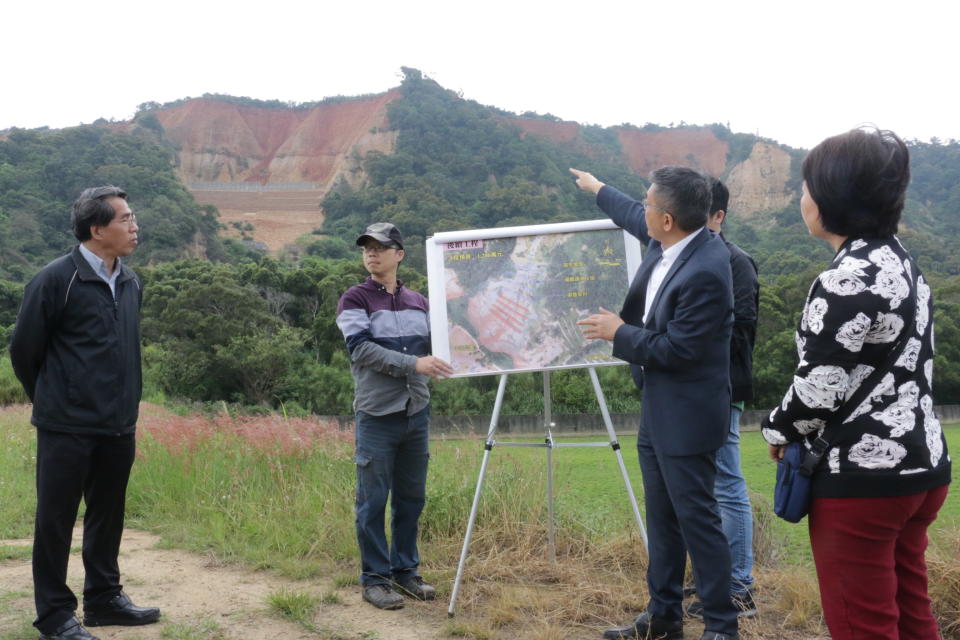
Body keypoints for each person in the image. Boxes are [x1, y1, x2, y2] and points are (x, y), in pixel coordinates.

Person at [762, 127, 951, 640]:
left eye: (805, 187)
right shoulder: (904, 265)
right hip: (922, 467)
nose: (801, 198)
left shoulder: (845, 276)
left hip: (863, 481)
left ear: (830, 198)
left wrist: (776, 431)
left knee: (862, 623)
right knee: (912, 612)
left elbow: (818, 389)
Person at [572, 167, 739, 640]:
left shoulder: (708, 268)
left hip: (687, 414)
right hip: (658, 407)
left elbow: (680, 351)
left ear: (667, 218)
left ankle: (722, 629)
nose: (641, 210)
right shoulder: (668, 239)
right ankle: (664, 617)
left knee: (697, 521)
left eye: (649, 205)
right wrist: (596, 187)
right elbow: (630, 211)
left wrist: (618, 334)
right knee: (663, 518)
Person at [9, 186, 159, 640]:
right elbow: (24, 352)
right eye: (126, 219)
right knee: (55, 519)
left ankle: (103, 599)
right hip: (66, 426)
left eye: (133, 218)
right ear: (97, 229)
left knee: (107, 513)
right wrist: (56, 401)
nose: (135, 226)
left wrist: (124, 403)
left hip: (118, 423)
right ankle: (55, 616)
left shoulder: (130, 280)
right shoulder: (56, 279)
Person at [335, 222, 453, 610]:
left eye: (380, 247)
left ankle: (406, 574)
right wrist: (413, 364)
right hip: (376, 416)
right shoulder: (354, 299)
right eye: (366, 247)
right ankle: (374, 579)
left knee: (411, 499)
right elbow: (361, 350)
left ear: (399, 254)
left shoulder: (421, 302)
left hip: (415, 413)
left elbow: (444, 344)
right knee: (372, 502)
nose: (371, 253)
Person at [686, 178, 759, 619]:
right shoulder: (687, 259)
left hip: (723, 389)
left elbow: (741, 330)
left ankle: (739, 588)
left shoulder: (736, 262)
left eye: (703, 217)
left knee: (727, 486)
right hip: (690, 391)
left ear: (718, 217)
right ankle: (715, 580)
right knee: (701, 490)